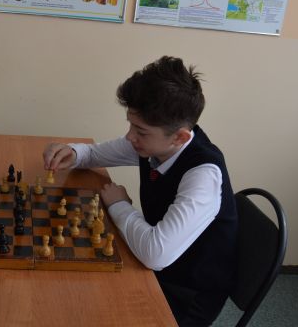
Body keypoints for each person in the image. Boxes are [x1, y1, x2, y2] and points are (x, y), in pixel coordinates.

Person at [43, 56, 238, 327]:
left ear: (180, 136)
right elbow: (95, 153)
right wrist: (72, 152)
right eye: (131, 124)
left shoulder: (202, 175)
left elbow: (155, 254)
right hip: (153, 265)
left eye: (141, 131)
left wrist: (119, 205)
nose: (130, 137)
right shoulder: (157, 144)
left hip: (184, 296)